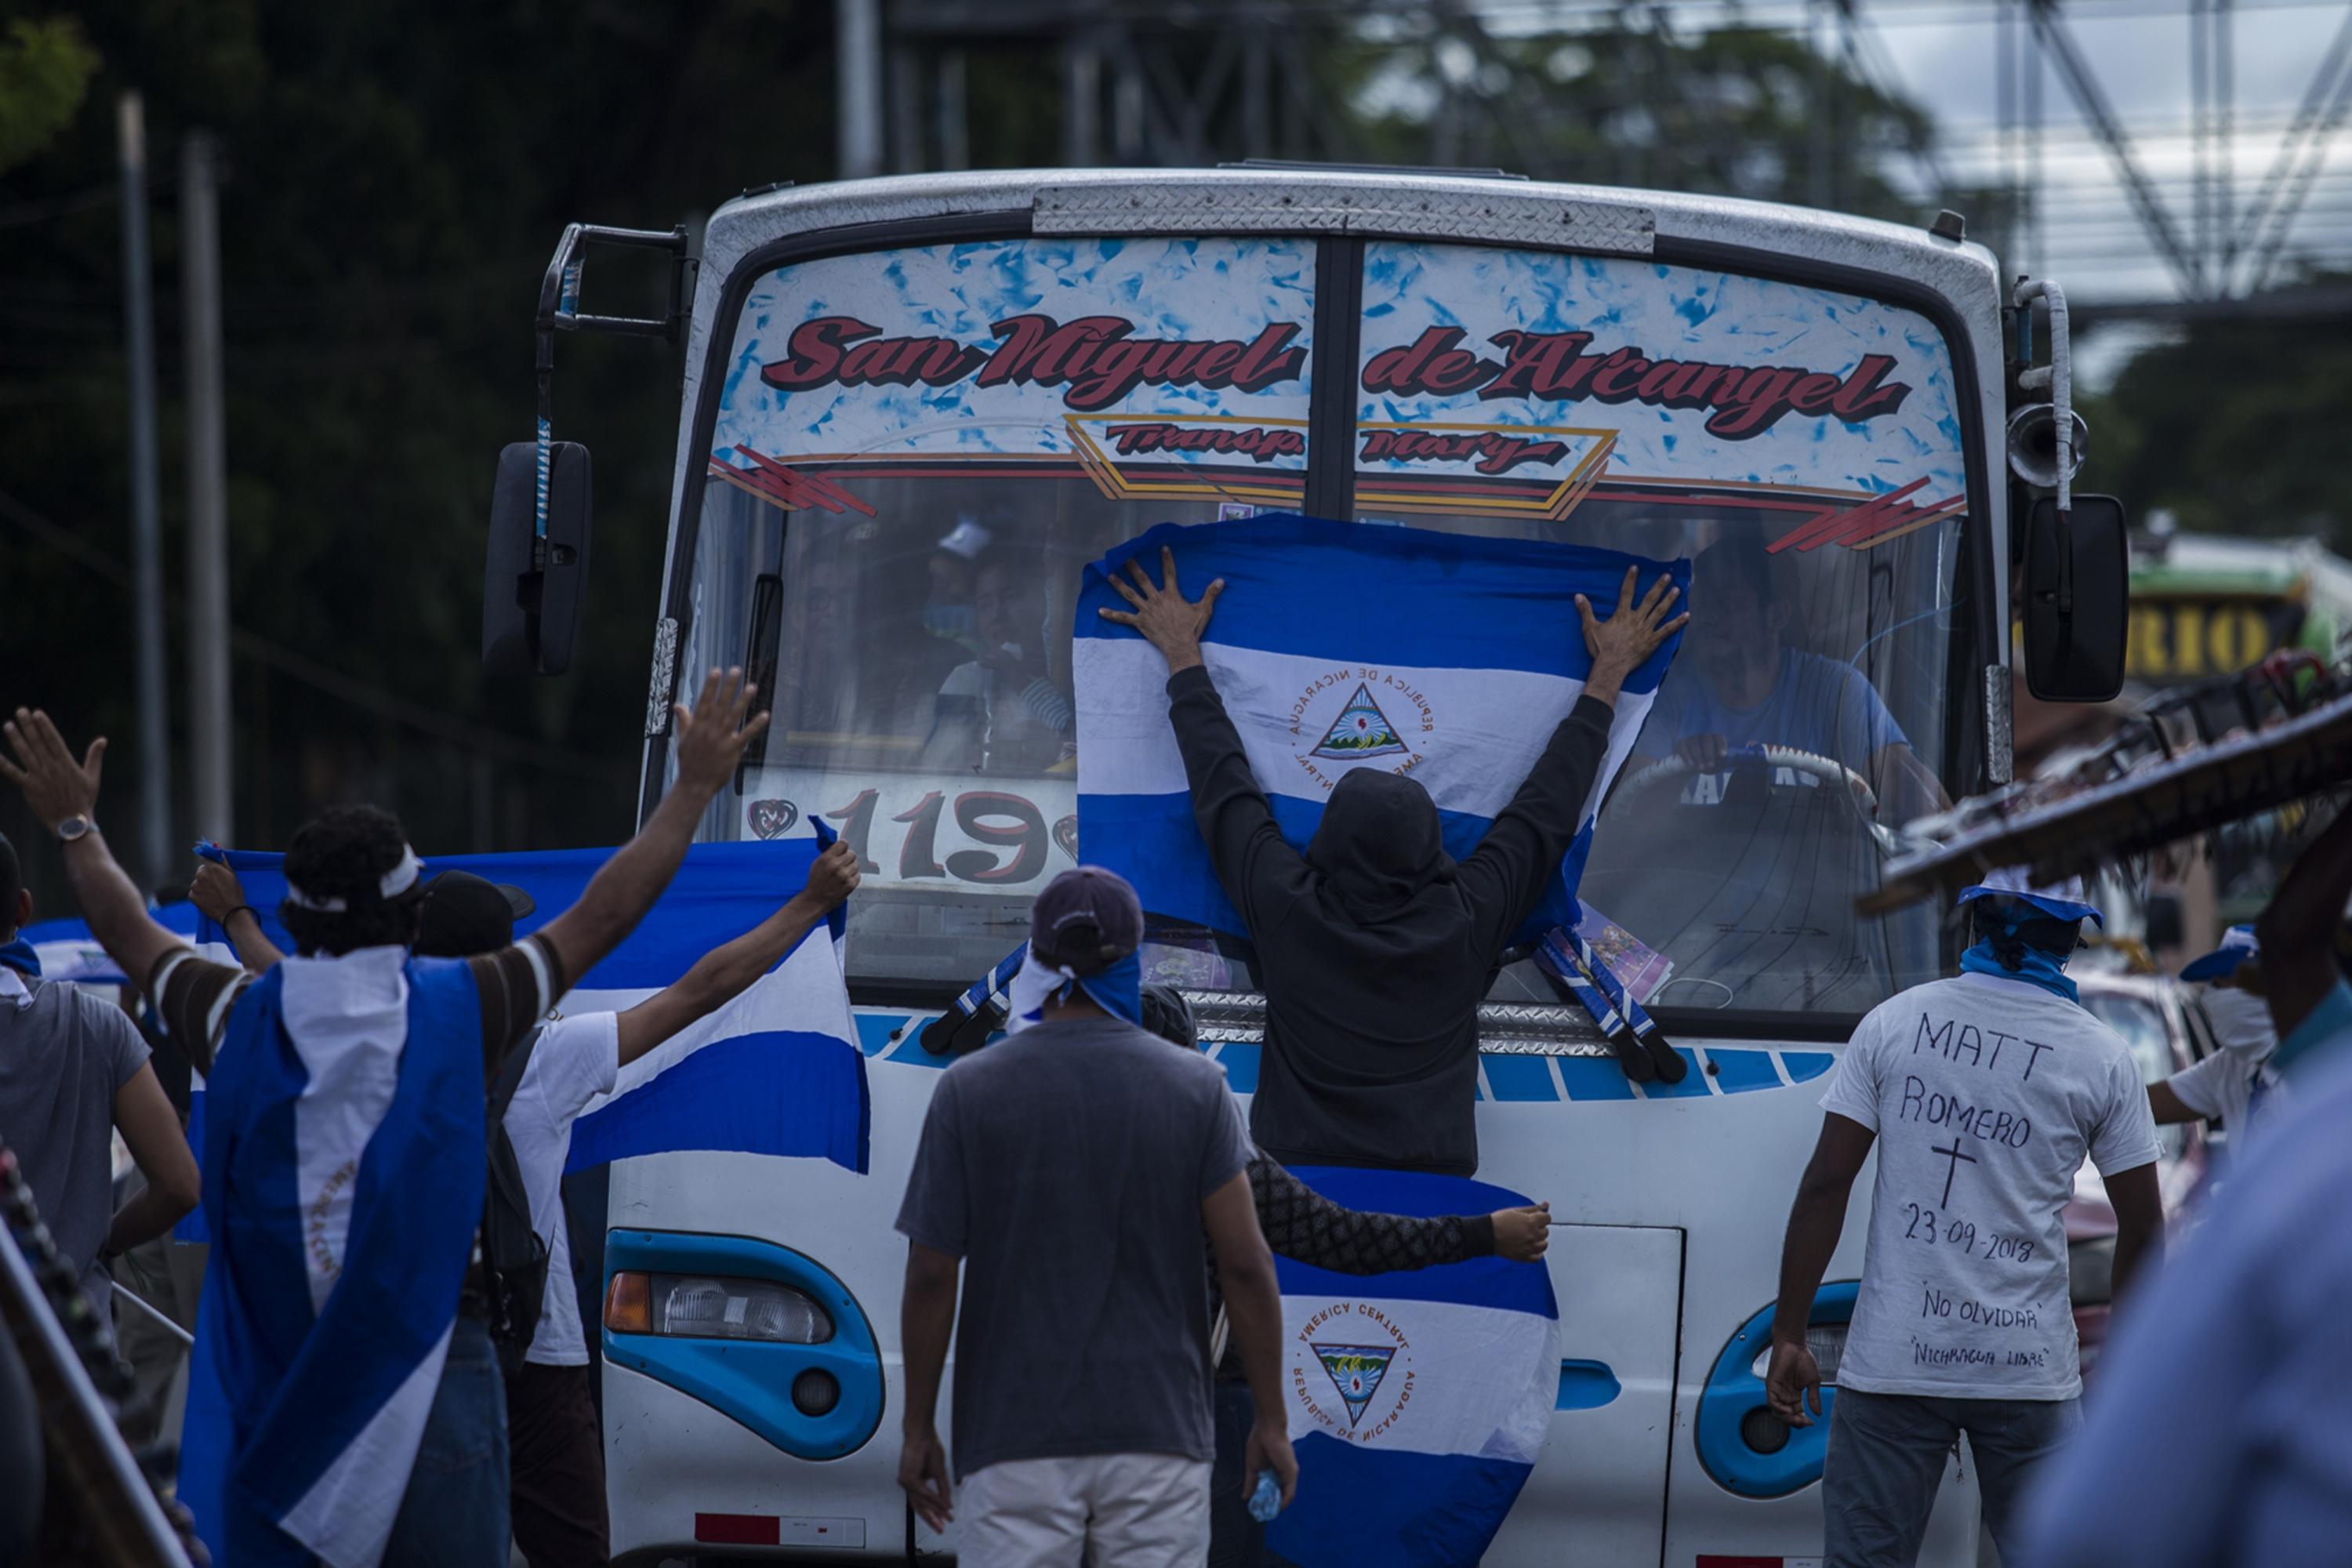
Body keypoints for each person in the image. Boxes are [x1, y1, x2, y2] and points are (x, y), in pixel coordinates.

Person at [0, 670, 768, 1568]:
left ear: (290, 917)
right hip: (441, 1378)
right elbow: (606, 911)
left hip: (291, 1389)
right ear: (411, 917)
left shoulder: (234, 1013)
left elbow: (125, 925)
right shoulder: (468, 1003)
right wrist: (691, 787)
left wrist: (75, 824)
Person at [196, 844, 860, 1568]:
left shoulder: (367, 1035)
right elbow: (696, 992)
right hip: (536, 1357)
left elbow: (280, 980)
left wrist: (234, 916)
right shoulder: (546, 1058)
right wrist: (808, 905)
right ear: (501, 963)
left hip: (408, 1346)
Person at [1098, 546, 1686, 1176]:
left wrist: (1182, 650)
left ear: (1322, 846)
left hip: (1299, 1188)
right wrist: (1609, 671)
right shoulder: (1468, 917)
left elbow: (1221, 782)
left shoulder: (1287, 904)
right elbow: (1547, 805)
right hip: (1434, 1192)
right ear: (1435, 850)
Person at [895, 866, 1295, 1567]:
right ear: (1135, 955)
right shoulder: (1195, 1087)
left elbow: (932, 1273)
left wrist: (918, 1428)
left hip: (1012, 1438)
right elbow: (1245, 1264)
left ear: (1039, 958)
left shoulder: (971, 1089)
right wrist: (1272, 1420)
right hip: (1159, 1438)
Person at [1762, 869, 2165, 1568]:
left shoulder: (1895, 1021)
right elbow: (2146, 1225)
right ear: (2069, 938)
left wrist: (1790, 1333)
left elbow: (1829, 1180)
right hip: (2030, 1374)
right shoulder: (2102, 1056)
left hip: (1894, 1365)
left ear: (1974, 922)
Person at [1129, 982, 1551, 1566]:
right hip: (1196, 1420)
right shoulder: (1217, 1153)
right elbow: (1345, 1240)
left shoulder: (1043, 1149)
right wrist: (1485, 1235)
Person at [0, 830, 198, 1306]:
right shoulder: (96, 1025)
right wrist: (100, 1241)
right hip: (72, 1350)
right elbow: (179, 1185)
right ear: (23, 909)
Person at [1639, 533, 1944, 823]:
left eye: (1726, 604)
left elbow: (1921, 801)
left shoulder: (1833, 691)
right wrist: (1679, 772)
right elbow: (1629, 821)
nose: (1706, 617)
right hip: (1685, 876)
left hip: (1816, 877)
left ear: (1777, 616)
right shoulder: (1667, 696)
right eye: (1701, 604)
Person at [926, 547, 1074, 775]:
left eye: (1010, 597)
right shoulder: (968, 678)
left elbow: (1076, 744)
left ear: (1041, 601)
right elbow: (938, 766)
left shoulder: (1075, 674)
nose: (997, 615)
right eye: (985, 604)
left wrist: (1020, 679)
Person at [2147, 924, 2289, 1160]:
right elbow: (2144, 1106)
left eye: (2227, 982)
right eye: (2215, 984)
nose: (2213, 996)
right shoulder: (2234, 1066)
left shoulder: (2325, 1066)